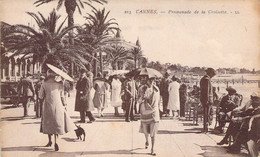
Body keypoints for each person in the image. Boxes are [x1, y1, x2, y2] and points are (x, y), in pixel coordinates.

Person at [39, 69, 74, 151]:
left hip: (47, 105)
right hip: (58, 106)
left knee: (48, 123)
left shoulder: (44, 84)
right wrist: (64, 104)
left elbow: (40, 96)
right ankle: (56, 141)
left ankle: (49, 141)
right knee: (56, 123)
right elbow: (62, 96)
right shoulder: (59, 84)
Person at [139, 77, 160, 156]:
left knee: (153, 132)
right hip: (145, 112)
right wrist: (143, 98)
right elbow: (138, 100)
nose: (151, 81)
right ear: (146, 80)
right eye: (150, 80)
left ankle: (153, 148)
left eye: (153, 80)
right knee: (145, 130)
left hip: (154, 112)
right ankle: (146, 140)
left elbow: (158, 100)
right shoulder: (142, 88)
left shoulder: (156, 89)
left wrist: (158, 109)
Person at [200, 68, 216, 132]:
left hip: (204, 99)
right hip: (207, 100)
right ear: (210, 73)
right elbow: (206, 91)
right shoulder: (207, 80)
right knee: (207, 114)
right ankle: (205, 128)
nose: (213, 76)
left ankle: (205, 127)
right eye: (213, 74)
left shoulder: (204, 79)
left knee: (206, 113)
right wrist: (207, 100)